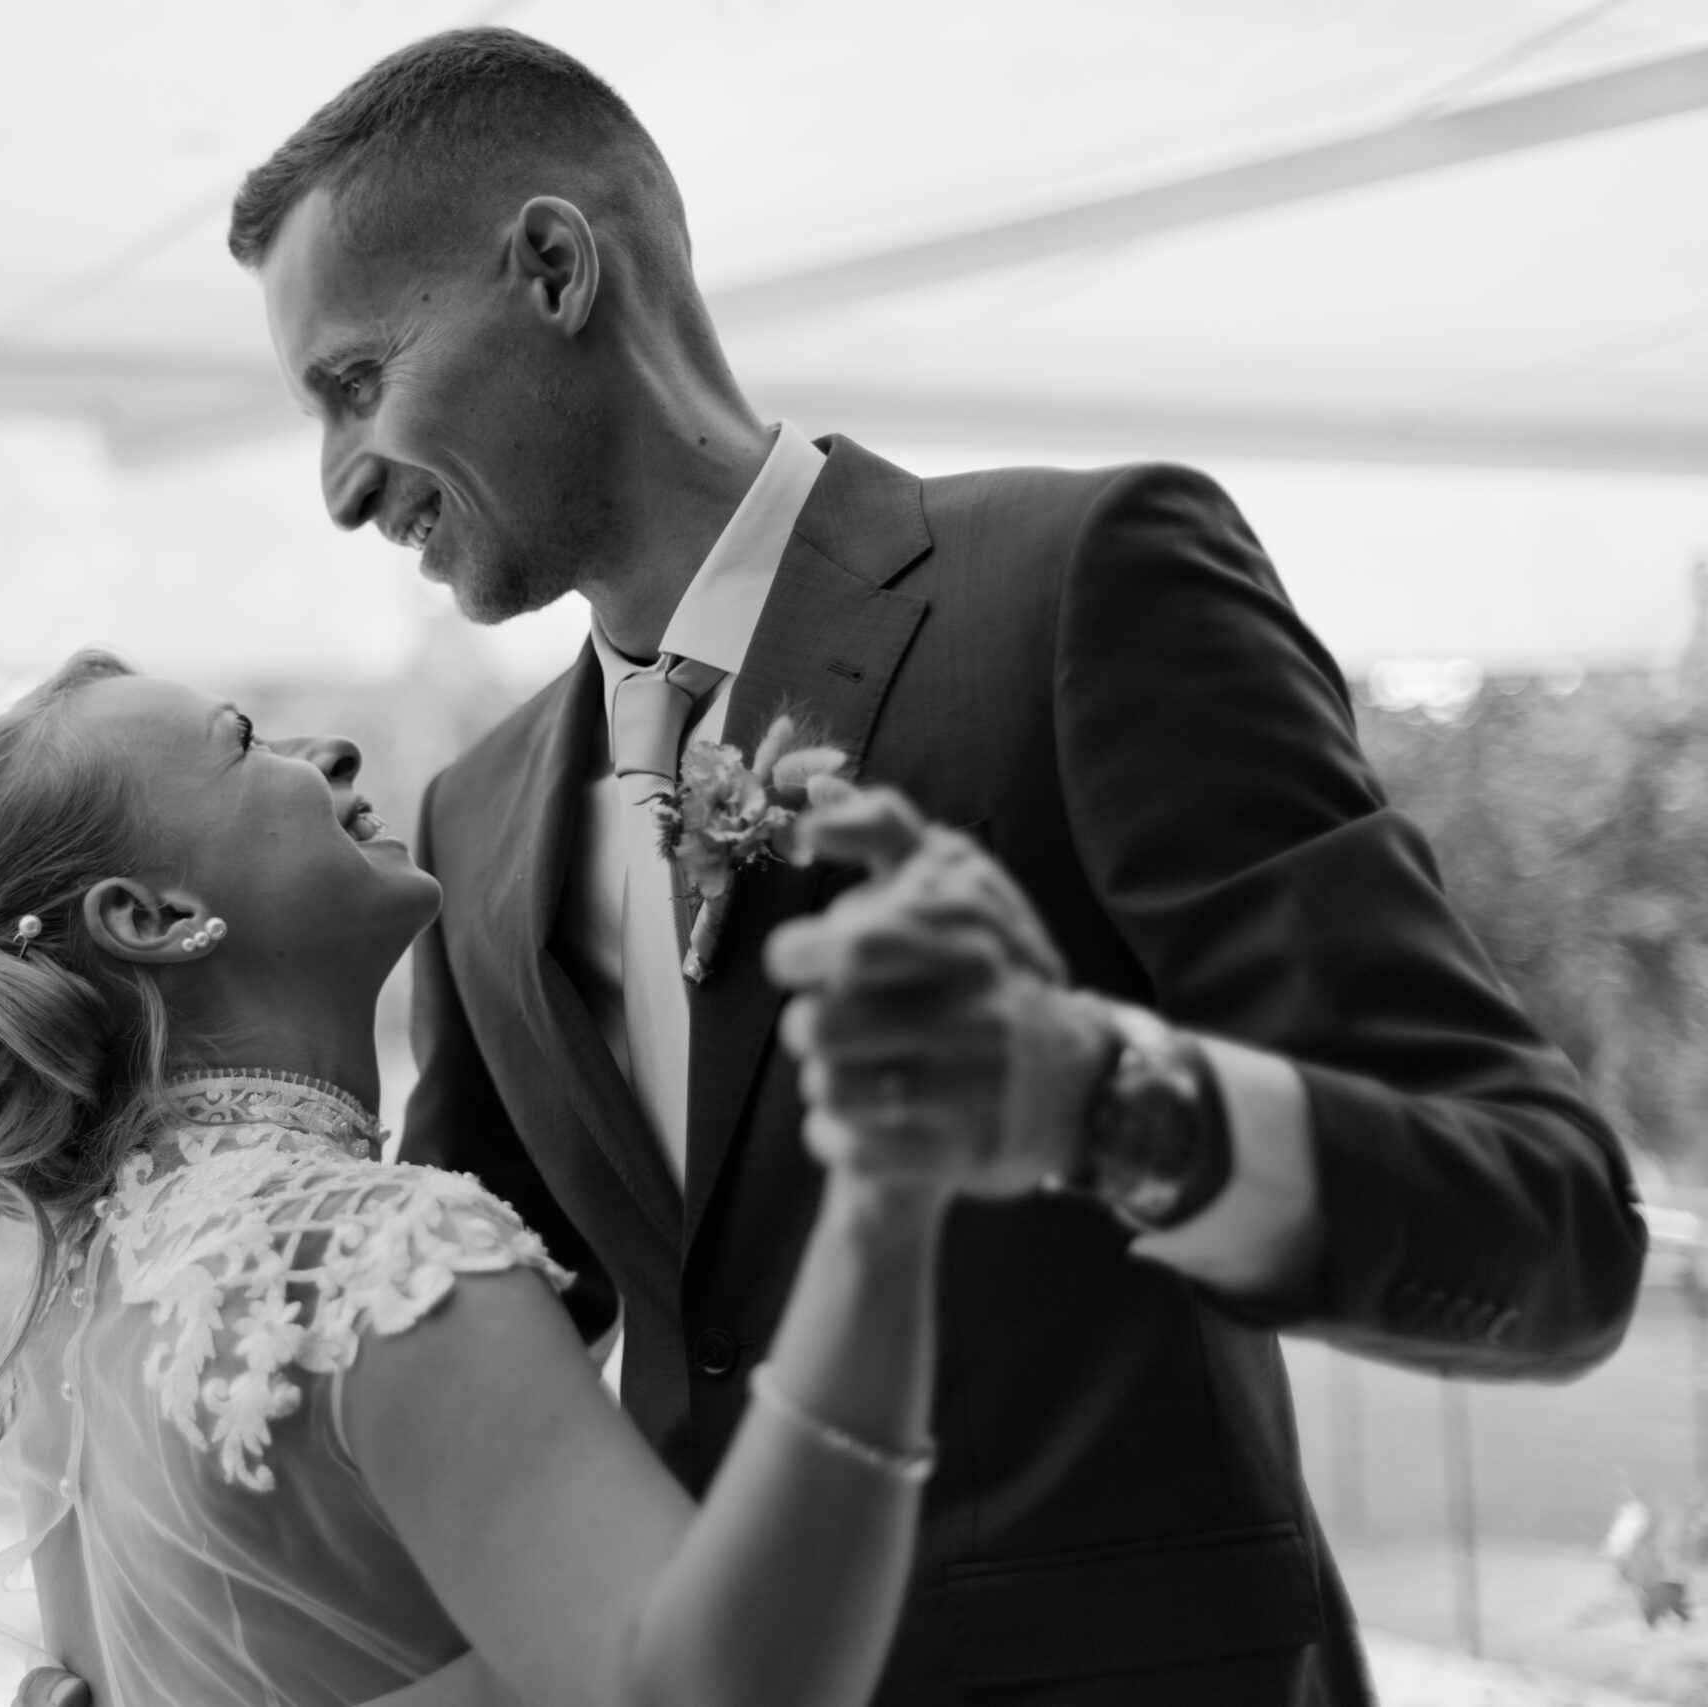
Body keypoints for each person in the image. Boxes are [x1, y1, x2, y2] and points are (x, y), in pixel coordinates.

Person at [164, 26, 1644, 1707]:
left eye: (357, 379)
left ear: (556, 269)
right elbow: (461, 1349)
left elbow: (1549, 1226)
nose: (341, 484)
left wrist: (1107, 1098)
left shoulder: (1085, 584)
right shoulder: (481, 820)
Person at [0, 652, 1073, 1707]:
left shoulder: (75, 1315)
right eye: (243, 741)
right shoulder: (368, 1258)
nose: (322, 746)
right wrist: (885, 1208)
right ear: (151, 914)